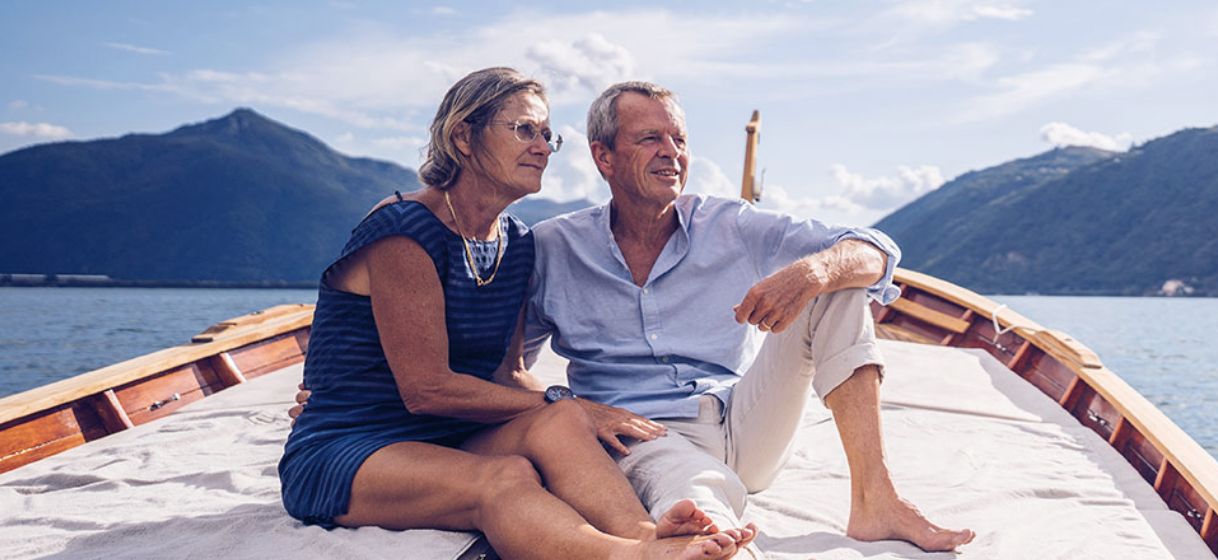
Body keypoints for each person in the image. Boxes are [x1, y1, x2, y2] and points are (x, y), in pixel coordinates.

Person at [279, 67, 753, 560]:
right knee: (507, 475)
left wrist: (573, 410)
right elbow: (426, 389)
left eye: (548, 135)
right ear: (463, 136)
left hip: (449, 436)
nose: (544, 147)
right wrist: (573, 402)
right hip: (352, 445)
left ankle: (643, 534)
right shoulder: (404, 231)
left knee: (560, 422)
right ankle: (625, 557)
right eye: (525, 129)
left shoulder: (518, 243)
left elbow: (510, 374)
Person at [522, 81, 976, 552]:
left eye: (679, 139)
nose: (671, 153)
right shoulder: (554, 248)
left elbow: (876, 252)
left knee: (836, 287)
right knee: (693, 491)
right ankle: (716, 538)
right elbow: (507, 372)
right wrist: (569, 404)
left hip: (745, 422)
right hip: (643, 434)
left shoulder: (729, 225)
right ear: (604, 157)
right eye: (650, 138)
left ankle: (875, 500)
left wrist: (814, 270)